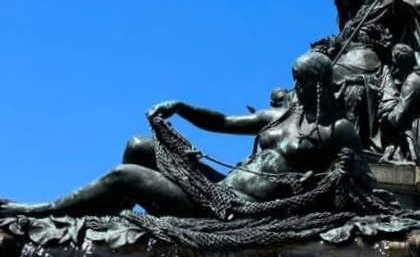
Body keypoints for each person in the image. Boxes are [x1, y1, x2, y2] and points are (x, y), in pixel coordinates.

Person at [0, 52, 369, 220]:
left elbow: (362, 183)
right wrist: (181, 107)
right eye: (294, 78)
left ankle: (43, 210)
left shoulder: (336, 130)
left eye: (301, 80)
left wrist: (344, 172)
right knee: (138, 147)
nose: (295, 86)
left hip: (235, 208)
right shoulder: (282, 114)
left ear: (320, 85)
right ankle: (110, 216)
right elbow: (223, 121)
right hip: (220, 187)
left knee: (124, 174)